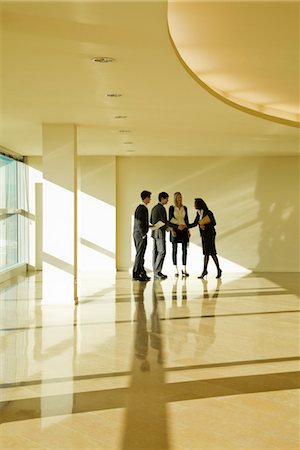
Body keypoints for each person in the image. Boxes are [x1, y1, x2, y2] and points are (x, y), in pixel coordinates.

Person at [190, 198, 222, 278]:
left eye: (195, 204)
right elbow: (195, 223)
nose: (193, 205)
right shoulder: (198, 213)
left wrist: (205, 226)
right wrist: (185, 226)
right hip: (203, 235)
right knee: (206, 253)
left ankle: (218, 269)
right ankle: (205, 271)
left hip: (210, 235)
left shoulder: (208, 212)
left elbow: (213, 223)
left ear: (199, 204)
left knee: (212, 252)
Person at [150, 192, 180, 280]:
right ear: (162, 198)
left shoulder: (154, 208)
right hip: (160, 233)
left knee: (155, 252)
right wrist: (173, 227)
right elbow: (165, 221)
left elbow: (151, 220)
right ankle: (157, 272)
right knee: (162, 252)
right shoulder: (161, 208)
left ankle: (156, 271)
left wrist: (166, 226)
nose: (168, 200)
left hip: (154, 232)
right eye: (167, 198)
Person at [169, 192, 190, 277]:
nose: (180, 199)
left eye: (181, 197)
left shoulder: (185, 208)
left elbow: (187, 220)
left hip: (184, 229)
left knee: (184, 250)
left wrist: (188, 230)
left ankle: (184, 269)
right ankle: (176, 269)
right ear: (175, 198)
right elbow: (169, 220)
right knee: (175, 250)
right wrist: (172, 230)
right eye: (178, 197)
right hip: (175, 230)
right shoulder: (171, 208)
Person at [132, 190, 151, 281]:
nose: (150, 199)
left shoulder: (140, 208)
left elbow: (141, 222)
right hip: (140, 234)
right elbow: (139, 222)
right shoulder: (142, 208)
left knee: (141, 254)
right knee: (140, 254)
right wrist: (143, 234)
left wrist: (148, 226)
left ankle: (141, 272)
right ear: (146, 198)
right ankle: (136, 273)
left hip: (139, 233)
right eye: (149, 197)